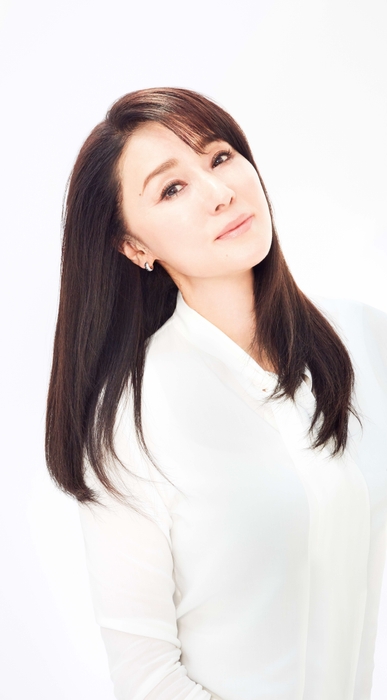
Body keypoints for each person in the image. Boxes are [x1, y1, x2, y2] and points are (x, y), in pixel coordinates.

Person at [45, 87, 387, 700]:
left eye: (220, 157)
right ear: (134, 246)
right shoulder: (132, 418)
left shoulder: (362, 336)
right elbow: (148, 678)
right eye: (172, 188)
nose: (218, 192)